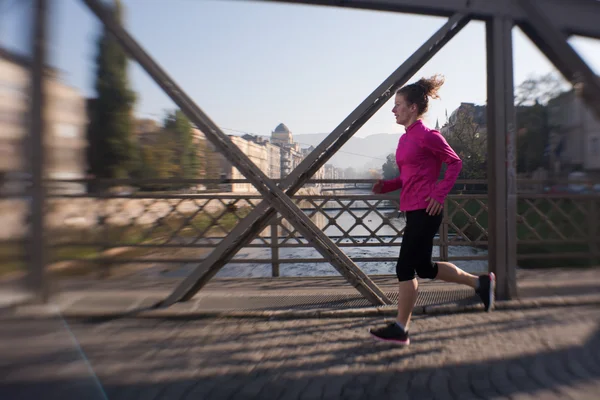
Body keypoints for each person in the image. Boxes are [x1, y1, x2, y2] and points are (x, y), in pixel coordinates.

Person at [369, 75, 495, 346]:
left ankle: (401, 328)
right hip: (412, 208)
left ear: (413, 107)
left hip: (427, 208)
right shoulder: (405, 140)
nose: (393, 110)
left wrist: (439, 193)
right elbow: (407, 177)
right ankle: (480, 283)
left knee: (404, 267)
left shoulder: (428, 135)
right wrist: (386, 185)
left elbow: (455, 163)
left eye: (398, 104)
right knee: (424, 268)